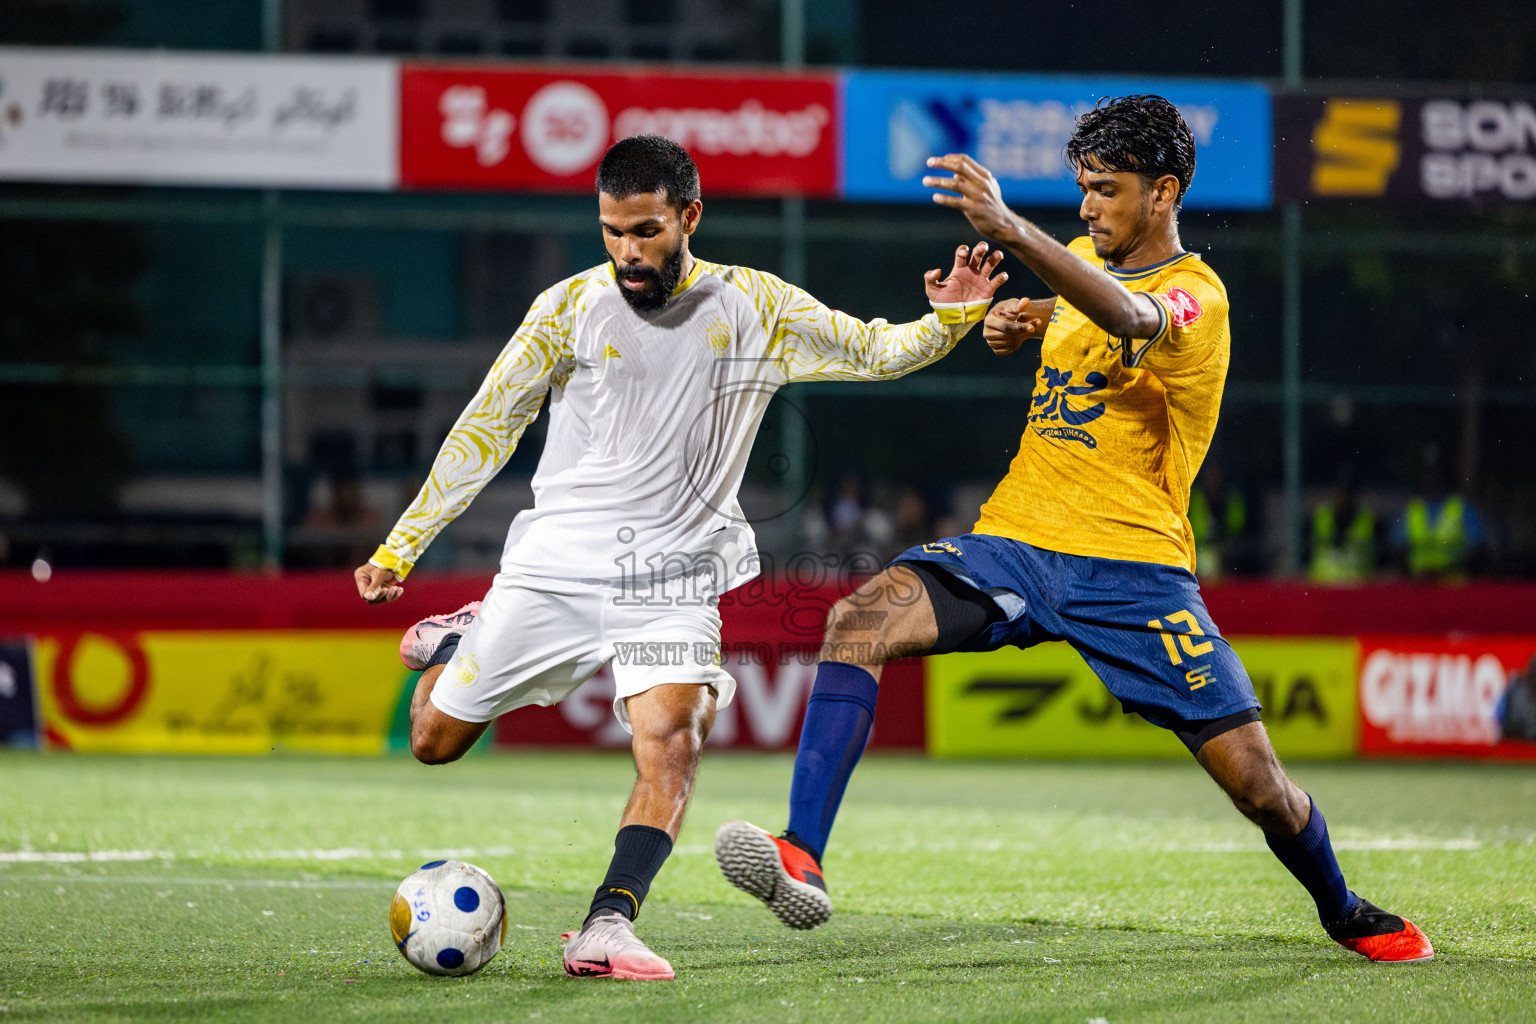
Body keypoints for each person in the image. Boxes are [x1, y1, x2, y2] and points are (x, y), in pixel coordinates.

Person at [714, 97, 1433, 964]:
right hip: (1016, 540)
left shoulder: (1196, 295)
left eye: (1106, 189)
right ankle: (804, 855)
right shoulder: (1086, 267)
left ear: (1164, 192)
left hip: (1135, 572)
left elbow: (1132, 319)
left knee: (1259, 787)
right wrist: (1005, 320)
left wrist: (1014, 230)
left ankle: (1343, 907)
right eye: (1082, 189)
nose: (1088, 207)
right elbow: (1079, 311)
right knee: (856, 620)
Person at [351, 135, 1007, 981]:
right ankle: (459, 642)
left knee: (674, 739)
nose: (628, 251)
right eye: (612, 231)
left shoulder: (756, 306)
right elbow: (486, 427)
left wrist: (949, 315)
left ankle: (606, 926)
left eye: (647, 231)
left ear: (690, 217)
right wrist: (402, 544)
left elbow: (874, 351)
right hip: (555, 563)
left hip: (671, 579)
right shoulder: (565, 308)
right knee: (434, 741)